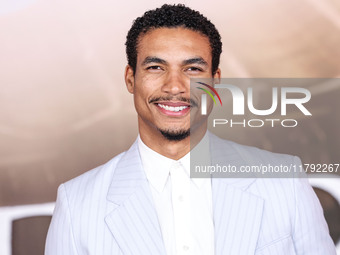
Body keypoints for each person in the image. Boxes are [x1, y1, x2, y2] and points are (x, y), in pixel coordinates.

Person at [45, 4, 336, 255]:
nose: (174, 87)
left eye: (193, 69)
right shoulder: (78, 203)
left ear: (215, 81)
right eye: (156, 68)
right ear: (130, 78)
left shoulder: (284, 184)